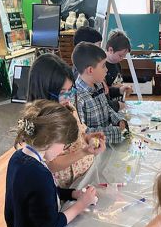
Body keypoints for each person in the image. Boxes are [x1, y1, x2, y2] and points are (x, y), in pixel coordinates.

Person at [4, 100, 98, 227]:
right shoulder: (39, 173)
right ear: (51, 140)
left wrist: (73, 193)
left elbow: (39, 193)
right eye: (64, 145)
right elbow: (50, 225)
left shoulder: (19, 158)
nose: (64, 149)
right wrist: (82, 204)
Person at [27, 53, 106, 188]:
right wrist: (85, 152)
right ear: (44, 91)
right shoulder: (40, 122)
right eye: (63, 92)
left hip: (85, 177)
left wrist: (88, 138)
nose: (69, 97)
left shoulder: (68, 106)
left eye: (71, 90)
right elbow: (51, 163)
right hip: (67, 187)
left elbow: (78, 136)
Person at [72, 41, 128, 144]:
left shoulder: (98, 85)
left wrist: (118, 120)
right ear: (90, 70)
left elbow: (107, 108)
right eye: (103, 66)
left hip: (107, 146)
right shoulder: (77, 98)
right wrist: (116, 131)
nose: (106, 70)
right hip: (93, 153)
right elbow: (83, 133)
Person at [104, 29, 134, 111]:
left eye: (124, 56)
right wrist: (119, 90)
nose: (122, 59)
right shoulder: (102, 67)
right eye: (120, 55)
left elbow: (117, 82)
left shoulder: (117, 63)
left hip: (118, 106)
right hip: (109, 108)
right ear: (110, 50)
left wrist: (123, 88)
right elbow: (103, 92)